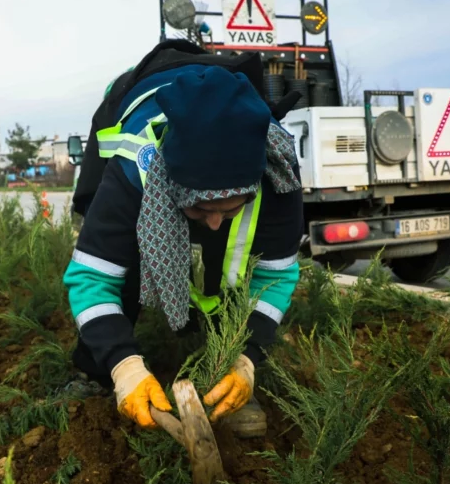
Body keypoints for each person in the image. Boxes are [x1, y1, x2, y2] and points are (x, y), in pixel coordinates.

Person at [62, 65, 303, 438]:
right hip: (133, 95)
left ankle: (224, 374)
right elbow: (92, 278)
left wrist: (247, 356)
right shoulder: (131, 171)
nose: (213, 224)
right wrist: (123, 365)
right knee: (122, 266)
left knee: (229, 262)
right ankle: (94, 368)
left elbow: (274, 277)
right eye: (199, 210)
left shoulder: (279, 174)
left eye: (230, 208)